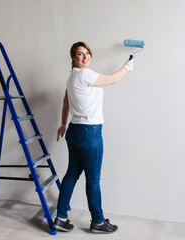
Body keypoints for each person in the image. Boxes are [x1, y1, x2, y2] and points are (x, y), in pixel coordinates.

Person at [53, 41, 134, 234]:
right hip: (90, 132)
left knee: (72, 174)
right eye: (80, 54)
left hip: (74, 131)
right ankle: (98, 222)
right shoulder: (84, 74)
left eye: (87, 53)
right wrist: (127, 67)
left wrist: (63, 124)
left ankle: (61, 217)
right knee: (93, 180)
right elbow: (112, 80)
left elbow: (66, 101)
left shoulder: (71, 77)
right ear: (73, 58)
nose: (85, 56)